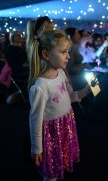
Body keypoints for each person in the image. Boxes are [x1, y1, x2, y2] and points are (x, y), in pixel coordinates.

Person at [27, 29, 91, 181]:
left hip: (65, 126)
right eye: (63, 52)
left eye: (68, 51)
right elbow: (35, 120)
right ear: (46, 55)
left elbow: (69, 97)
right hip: (52, 132)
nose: (68, 56)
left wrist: (85, 91)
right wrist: (36, 148)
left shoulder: (61, 73)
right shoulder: (40, 87)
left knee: (59, 162)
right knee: (51, 171)